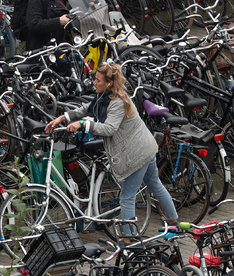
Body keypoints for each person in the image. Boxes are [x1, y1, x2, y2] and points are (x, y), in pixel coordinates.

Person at [45, 63, 178, 243]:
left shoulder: (117, 103)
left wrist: (84, 124)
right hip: (146, 147)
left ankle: (128, 240)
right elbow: (86, 108)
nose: (94, 83)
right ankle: (173, 225)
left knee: (127, 197)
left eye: (97, 80)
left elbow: (109, 129)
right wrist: (63, 117)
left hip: (136, 153)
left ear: (108, 83)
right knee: (155, 185)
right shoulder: (104, 97)